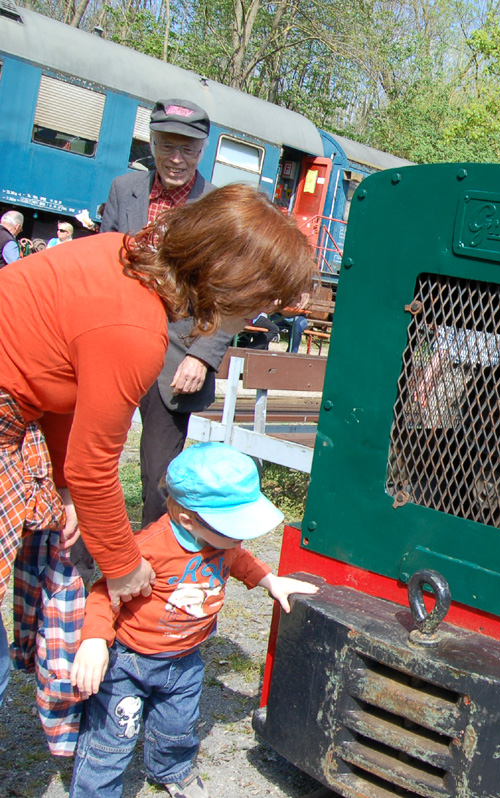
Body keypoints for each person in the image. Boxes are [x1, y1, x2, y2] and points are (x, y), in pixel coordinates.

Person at [0, 183, 315, 753]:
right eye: (260, 299)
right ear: (229, 278)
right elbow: (98, 465)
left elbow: (54, 380)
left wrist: (66, 487)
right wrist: (121, 566)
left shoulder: (118, 254)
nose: (258, 315)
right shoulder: (136, 331)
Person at [69, 442, 318, 798]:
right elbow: (103, 592)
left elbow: (239, 559)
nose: (241, 535)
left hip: (185, 659)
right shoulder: (150, 547)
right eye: (233, 526)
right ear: (187, 518)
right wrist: (94, 640)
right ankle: (95, 791)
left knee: (177, 727)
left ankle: (171, 769)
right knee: (112, 739)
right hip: (130, 662)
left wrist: (270, 580)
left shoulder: (223, 541)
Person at [99, 99, 226, 528]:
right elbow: (103, 266)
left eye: (188, 150)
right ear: (152, 142)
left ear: (202, 150)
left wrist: (202, 355)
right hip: (114, 344)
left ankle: (150, 562)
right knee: (93, 459)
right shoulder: (124, 189)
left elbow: (229, 295)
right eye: (168, 146)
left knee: (157, 474)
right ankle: (80, 565)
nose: (177, 159)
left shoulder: (217, 207)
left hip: (175, 361)